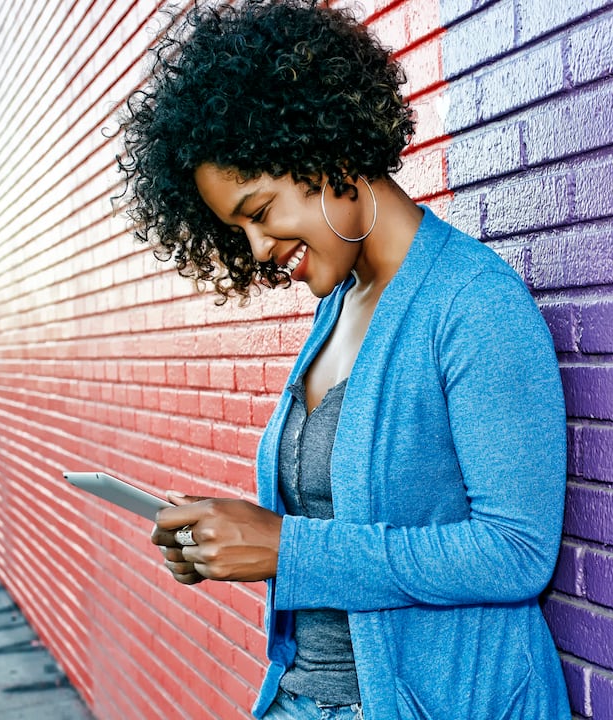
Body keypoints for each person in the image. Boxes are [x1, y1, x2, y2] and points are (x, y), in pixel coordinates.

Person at [115, 2, 570, 719]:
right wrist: (225, 542)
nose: (260, 251)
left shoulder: (473, 304)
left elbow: (516, 552)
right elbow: (327, 523)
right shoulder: (338, 306)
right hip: (302, 699)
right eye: (239, 230)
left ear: (328, 156)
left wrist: (284, 550)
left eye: (259, 212)